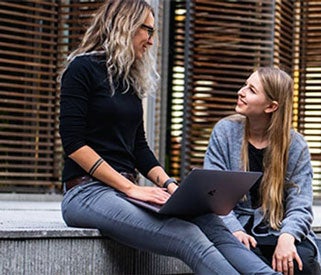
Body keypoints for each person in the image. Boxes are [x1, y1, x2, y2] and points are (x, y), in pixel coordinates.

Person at [58, 1, 279, 274]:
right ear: (124, 25)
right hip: (86, 193)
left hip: (126, 193)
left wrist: (171, 186)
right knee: (188, 236)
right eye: (147, 31)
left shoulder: (129, 80)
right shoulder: (81, 69)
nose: (151, 40)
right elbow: (74, 144)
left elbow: (139, 148)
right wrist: (130, 188)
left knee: (210, 221)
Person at [203, 67, 321, 275]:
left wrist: (287, 238)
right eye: (245, 85)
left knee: (300, 263)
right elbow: (213, 194)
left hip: (276, 228)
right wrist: (234, 229)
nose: (241, 92)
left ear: (271, 106)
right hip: (235, 228)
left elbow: (301, 205)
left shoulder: (295, 146)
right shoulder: (225, 132)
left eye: (251, 90)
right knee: (246, 259)